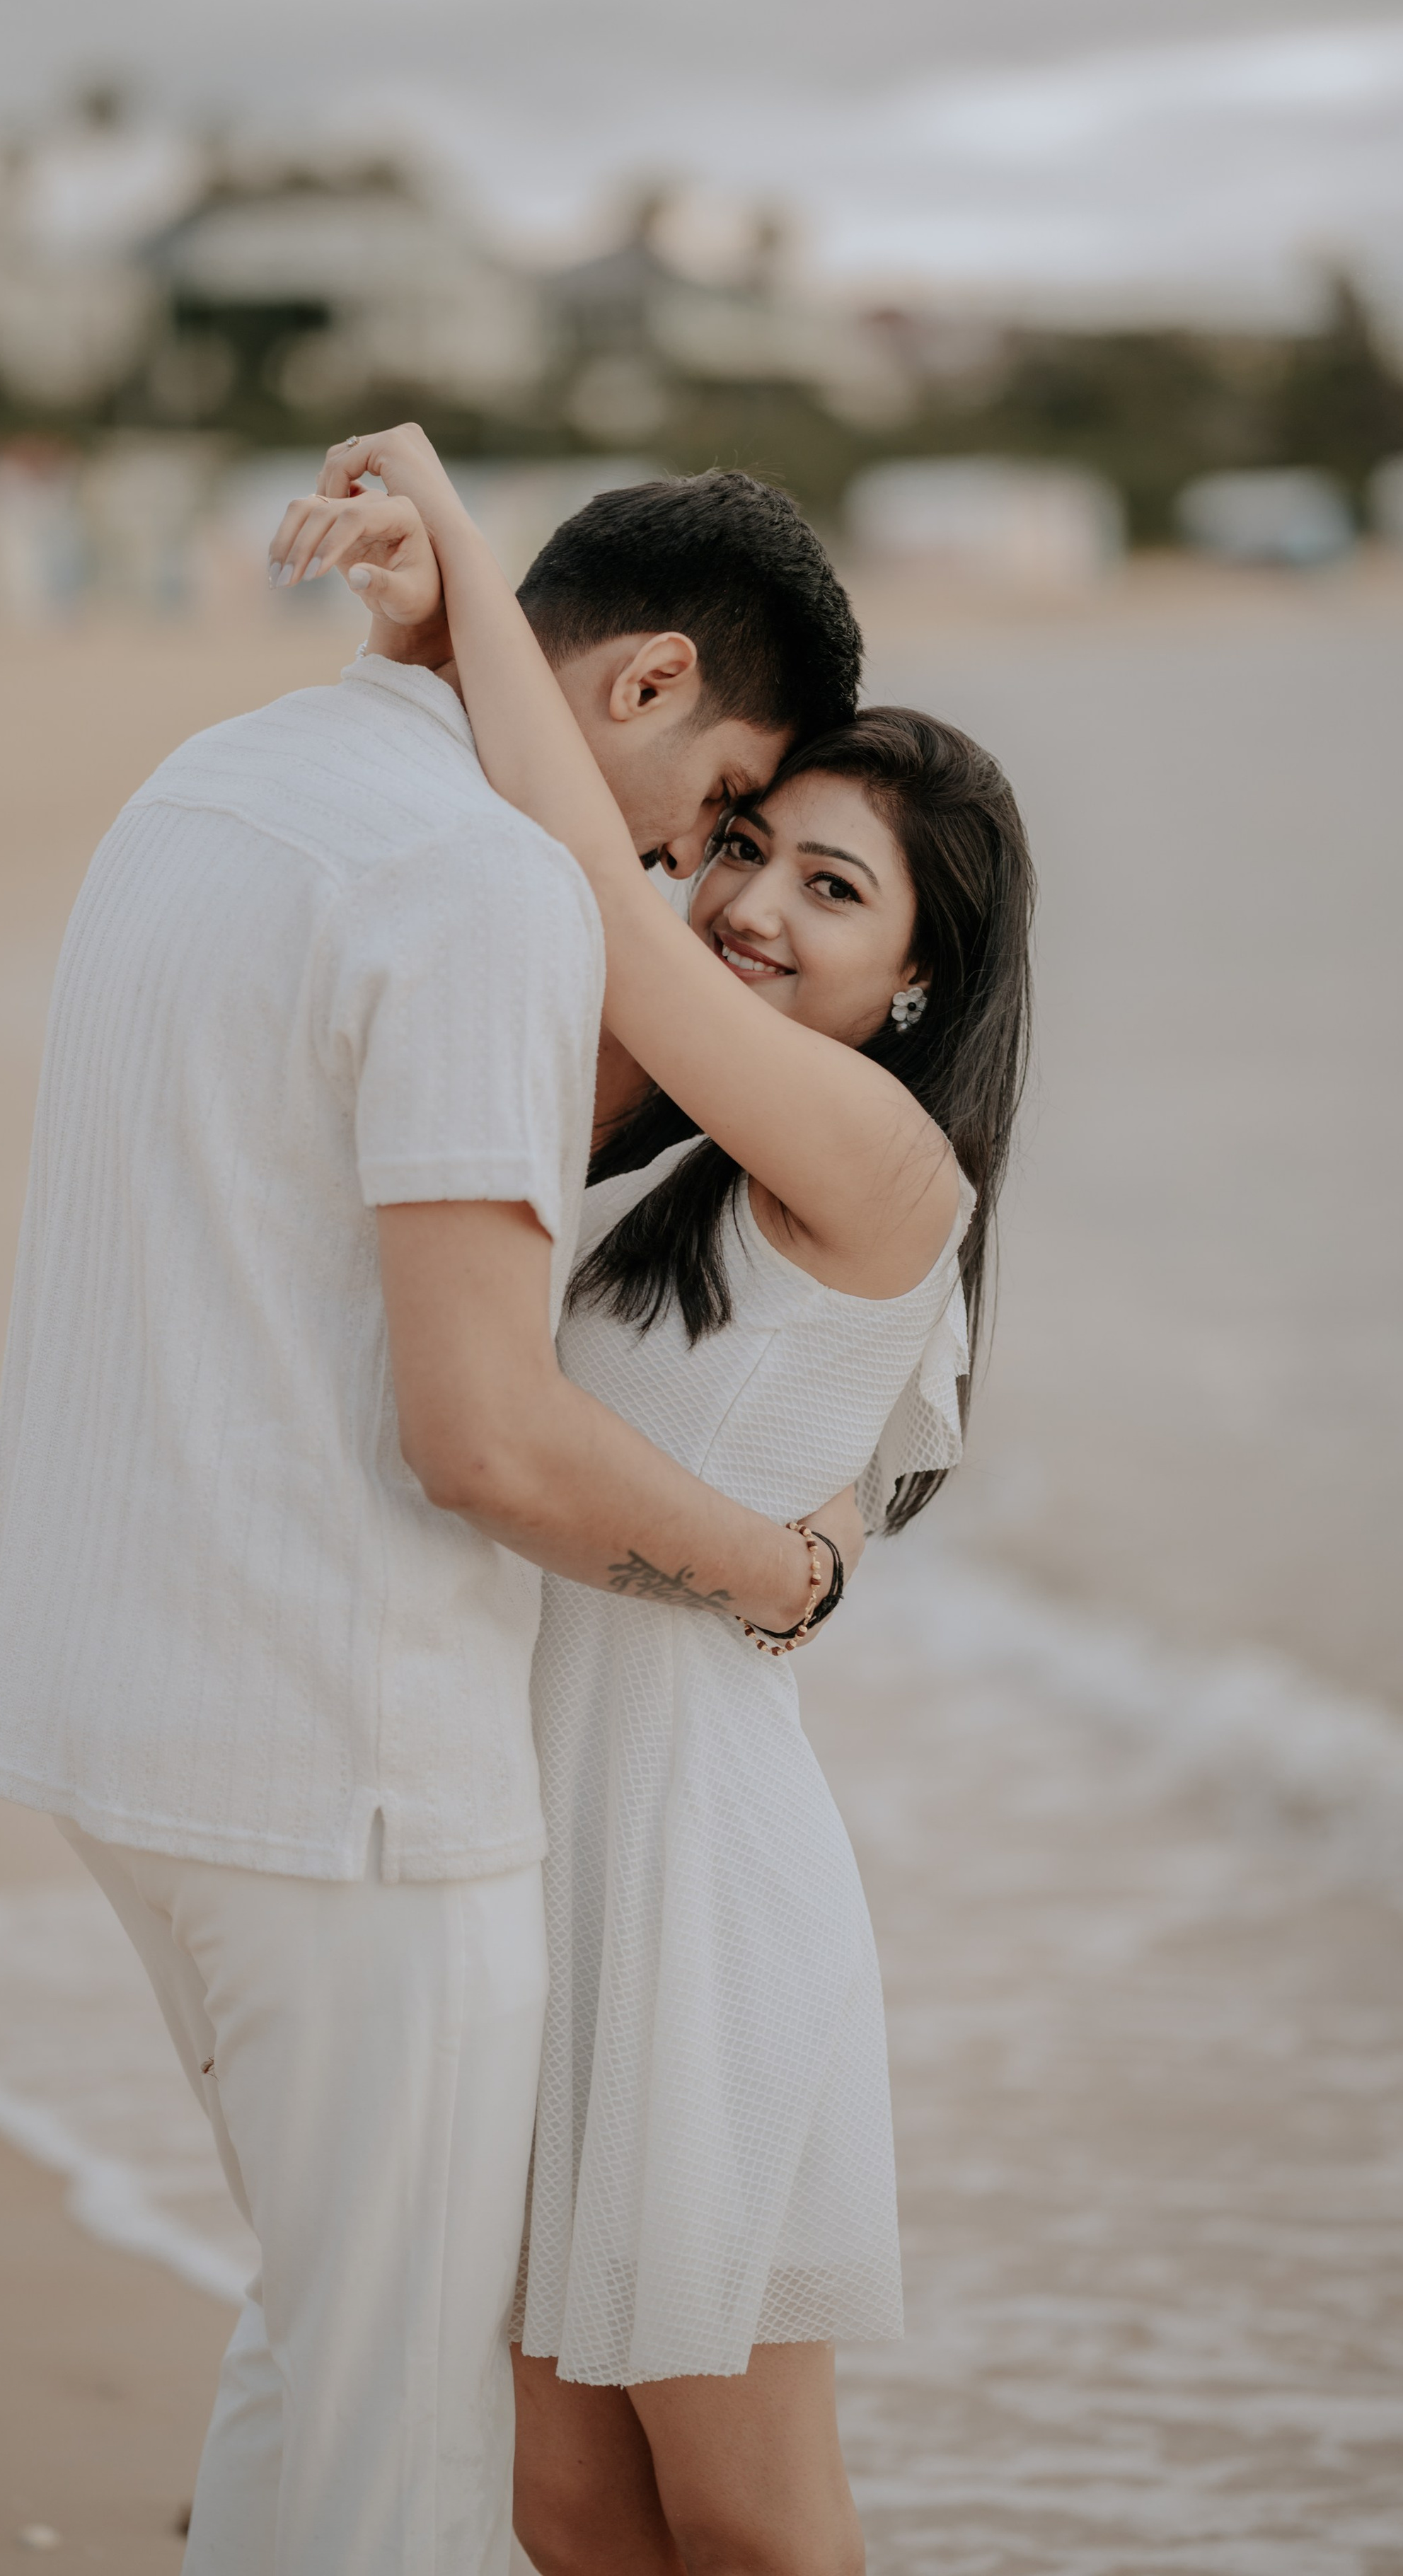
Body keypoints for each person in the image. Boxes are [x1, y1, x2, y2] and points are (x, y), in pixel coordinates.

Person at [0, 467, 868, 2576]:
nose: (675, 868)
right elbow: (487, 1441)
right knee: (407, 2455)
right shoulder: (479, 885)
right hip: (334, 1773)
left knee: (325, 2351)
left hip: (107, 1713)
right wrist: (782, 1576)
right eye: (710, 801)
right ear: (643, 678)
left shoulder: (212, 783)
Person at [270, 429, 1034, 2576]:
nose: (749, 905)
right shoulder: (670, 1166)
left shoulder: (891, 1172)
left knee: (756, 2525)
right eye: (751, 849)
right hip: (526, 1845)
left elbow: (588, 892)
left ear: (916, 991)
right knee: (573, 2507)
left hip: (689, 1879)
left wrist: (450, 561)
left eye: (829, 887)